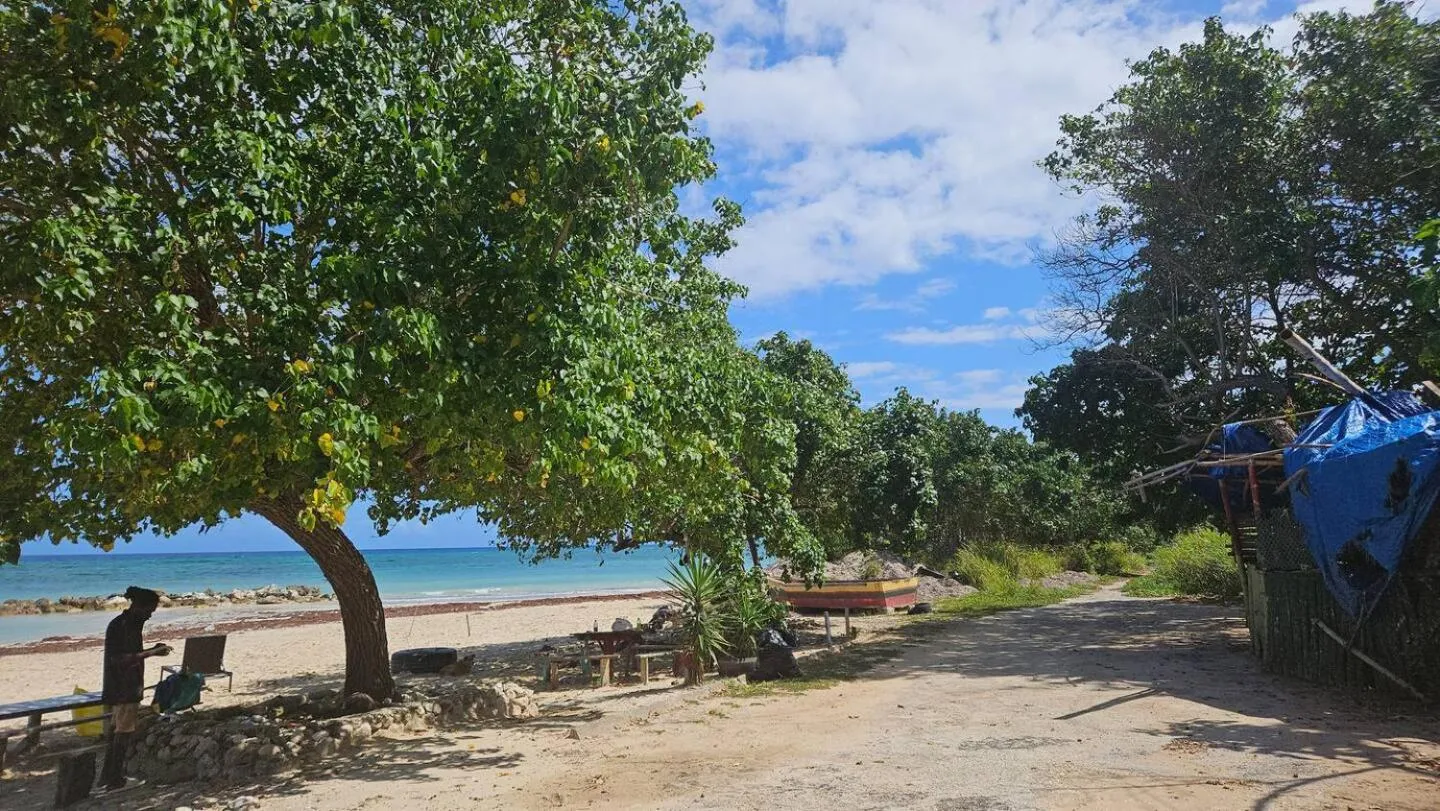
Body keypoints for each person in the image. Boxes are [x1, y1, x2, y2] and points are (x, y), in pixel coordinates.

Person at [97, 586, 171, 792]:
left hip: (126, 685)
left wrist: (152, 650)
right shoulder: (122, 626)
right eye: (148, 611)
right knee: (122, 732)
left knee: (117, 731)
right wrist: (151, 653)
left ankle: (107, 777)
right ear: (137, 606)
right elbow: (118, 659)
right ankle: (114, 779)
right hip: (122, 687)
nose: (149, 615)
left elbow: (130, 653)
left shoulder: (130, 624)